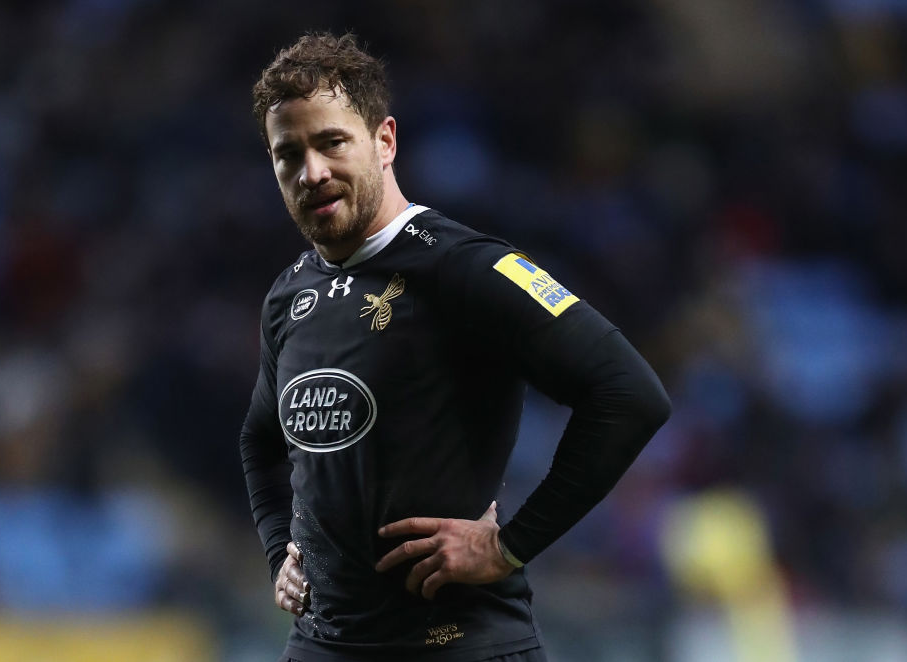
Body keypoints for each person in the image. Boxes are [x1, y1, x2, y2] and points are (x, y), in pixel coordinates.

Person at [239, 31, 671, 662]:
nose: (313, 172)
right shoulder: (290, 294)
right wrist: (279, 549)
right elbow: (260, 439)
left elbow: (629, 392)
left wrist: (510, 546)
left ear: (384, 140)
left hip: (460, 647)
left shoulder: (466, 268)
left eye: (332, 142)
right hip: (321, 648)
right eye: (288, 154)